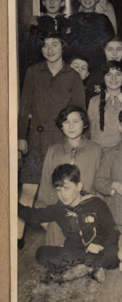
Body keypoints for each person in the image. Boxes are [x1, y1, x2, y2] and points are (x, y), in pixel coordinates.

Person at [18, 32, 86, 229]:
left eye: (54, 44)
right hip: (36, 139)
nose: (50, 49)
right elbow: (24, 106)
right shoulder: (33, 72)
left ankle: (61, 234)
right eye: (45, 45)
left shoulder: (72, 76)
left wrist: (79, 143)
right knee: (28, 187)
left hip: (61, 139)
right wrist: (21, 136)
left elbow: (80, 111)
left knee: (61, 188)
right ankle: (17, 235)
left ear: (63, 47)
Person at [18, 164, 119, 285]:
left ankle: (73, 272)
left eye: (66, 188)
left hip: (97, 251)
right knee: (41, 253)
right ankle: (90, 268)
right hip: (74, 253)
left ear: (79, 186)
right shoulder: (59, 208)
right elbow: (33, 215)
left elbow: (113, 233)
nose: (63, 194)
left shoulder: (97, 204)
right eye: (59, 190)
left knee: (115, 253)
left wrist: (99, 246)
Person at [35, 105, 102, 247]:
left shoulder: (95, 149)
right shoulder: (54, 150)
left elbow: (99, 184)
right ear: (61, 125)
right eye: (66, 122)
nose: (71, 126)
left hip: (86, 217)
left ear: (84, 124)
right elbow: (46, 182)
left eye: (76, 121)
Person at [67, 0, 115, 70]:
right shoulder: (72, 20)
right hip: (77, 65)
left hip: (97, 64)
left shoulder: (103, 19)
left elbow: (108, 43)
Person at [88, 60, 122, 150]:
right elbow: (92, 133)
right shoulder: (94, 101)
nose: (113, 78)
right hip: (100, 152)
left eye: (118, 74)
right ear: (103, 78)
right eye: (109, 74)